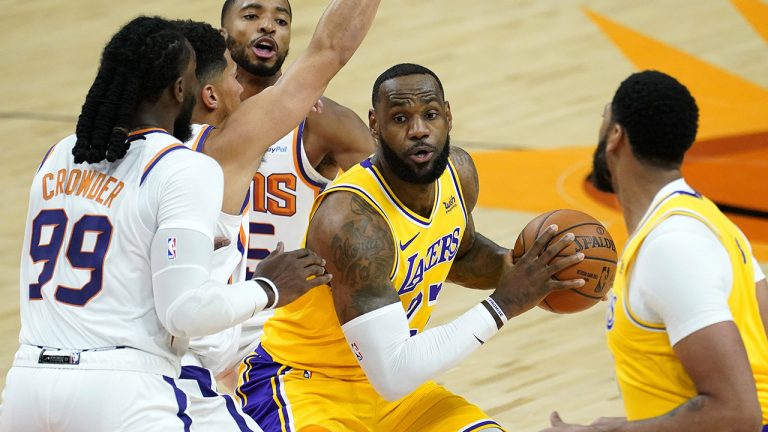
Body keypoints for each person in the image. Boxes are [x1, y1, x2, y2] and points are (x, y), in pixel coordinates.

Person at [0, 4, 378, 428]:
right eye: (231, 77)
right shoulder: (198, 160)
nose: (240, 87)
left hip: (27, 382)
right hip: (141, 382)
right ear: (191, 90)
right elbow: (329, 52)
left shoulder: (62, 154)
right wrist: (269, 286)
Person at [235, 63, 587, 432]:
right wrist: (505, 303)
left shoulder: (458, 173)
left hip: (395, 393)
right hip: (305, 384)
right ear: (375, 125)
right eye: (400, 118)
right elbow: (393, 373)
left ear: (448, 116)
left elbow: (460, 254)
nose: (418, 130)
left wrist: (526, 268)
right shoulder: (350, 221)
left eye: (429, 115)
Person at [542, 70, 768, 431]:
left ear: (616, 135)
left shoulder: (671, 247)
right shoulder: (712, 223)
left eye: (604, 119)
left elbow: (738, 413)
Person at [219, 0, 377, 281]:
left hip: (289, 317)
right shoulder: (195, 117)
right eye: (252, 15)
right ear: (222, 33)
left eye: (281, 21)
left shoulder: (322, 120)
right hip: (212, 312)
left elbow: (391, 201)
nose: (268, 26)